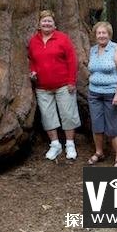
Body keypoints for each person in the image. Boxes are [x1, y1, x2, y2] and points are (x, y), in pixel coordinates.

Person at [28, 10, 80, 161]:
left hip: (64, 85)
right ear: (39, 24)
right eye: (44, 21)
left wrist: (71, 81)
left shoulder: (62, 39)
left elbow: (72, 60)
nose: (46, 23)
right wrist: (32, 71)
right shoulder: (34, 41)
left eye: (49, 21)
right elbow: (32, 60)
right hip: (42, 87)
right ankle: (55, 144)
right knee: (47, 115)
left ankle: (70, 144)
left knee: (68, 114)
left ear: (54, 24)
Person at [87, 21, 117, 167]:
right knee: (97, 125)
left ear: (109, 34)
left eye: (104, 33)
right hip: (94, 93)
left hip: (112, 93)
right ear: (95, 35)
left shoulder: (115, 49)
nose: (101, 35)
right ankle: (99, 152)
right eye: (99, 33)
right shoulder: (93, 50)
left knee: (113, 126)